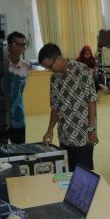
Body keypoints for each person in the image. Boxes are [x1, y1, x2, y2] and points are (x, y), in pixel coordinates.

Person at [39, 43, 98, 171]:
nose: (50, 69)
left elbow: (92, 101)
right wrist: (50, 130)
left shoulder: (82, 70)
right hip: (65, 136)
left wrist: (92, 129)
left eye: (49, 66)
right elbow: (55, 107)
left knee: (84, 174)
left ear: (58, 57)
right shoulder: (54, 78)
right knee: (68, 174)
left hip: (83, 135)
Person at [1, 32, 30, 144]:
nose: (20, 47)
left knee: (20, 151)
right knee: (0, 152)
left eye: (23, 45)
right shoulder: (0, 63)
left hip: (18, 117)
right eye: (16, 44)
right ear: (8, 45)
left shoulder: (26, 66)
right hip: (1, 117)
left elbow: (21, 91)